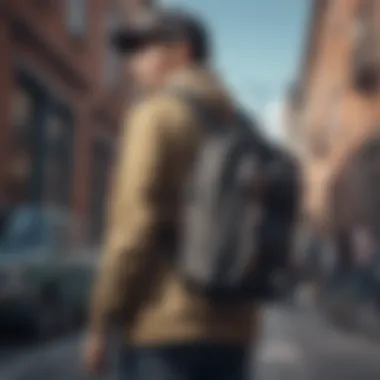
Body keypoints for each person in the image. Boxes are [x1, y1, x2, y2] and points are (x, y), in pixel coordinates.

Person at [83, 8, 259, 380]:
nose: (132, 63)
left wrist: (102, 323)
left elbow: (132, 231)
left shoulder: (155, 115)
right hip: (236, 331)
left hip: (163, 325)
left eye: (143, 49)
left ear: (181, 51)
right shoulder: (243, 126)